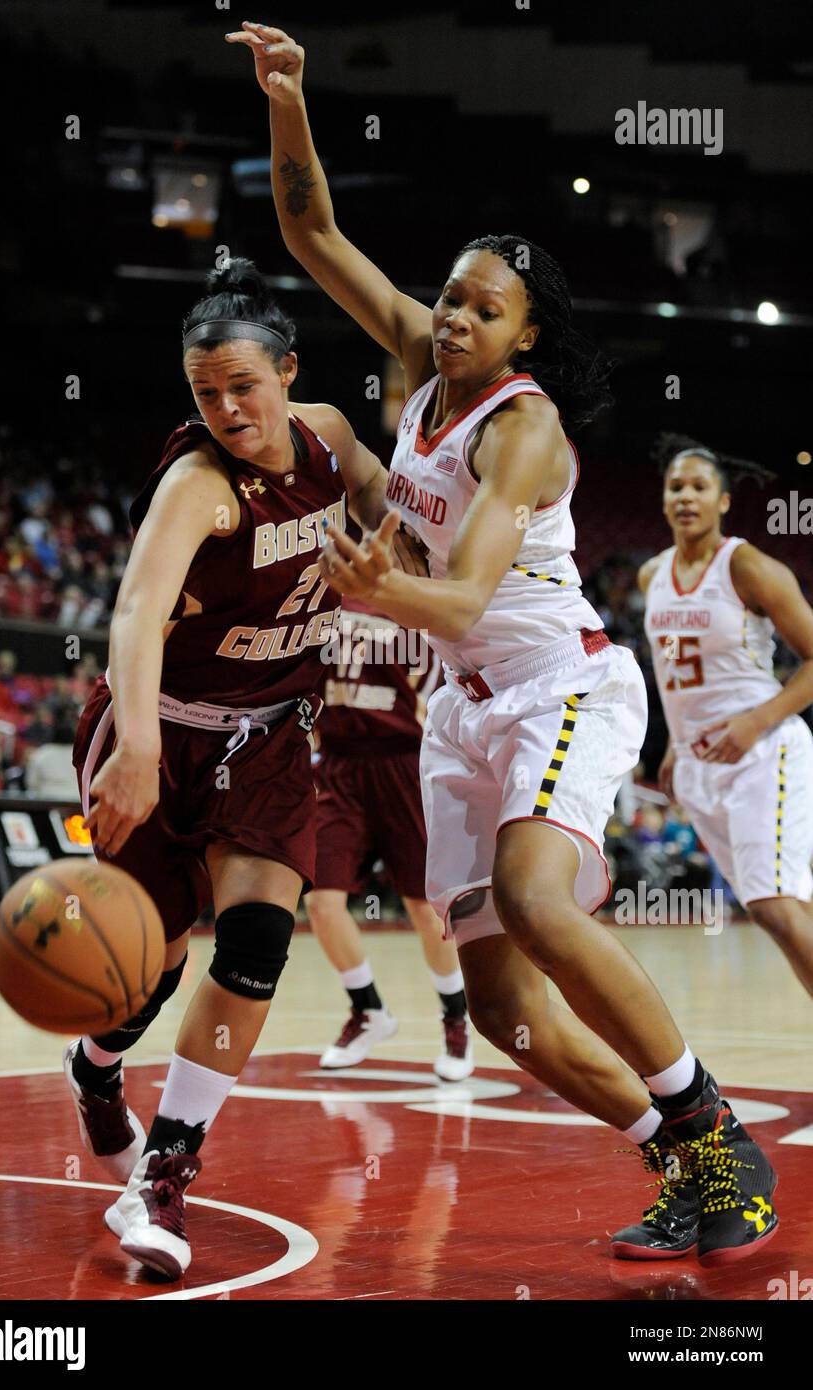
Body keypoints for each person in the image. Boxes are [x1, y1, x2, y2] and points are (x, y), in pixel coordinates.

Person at [229, 20, 780, 1265]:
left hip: (560, 685)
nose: (458, 315)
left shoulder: (522, 430)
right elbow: (311, 233)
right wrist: (291, 101)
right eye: (453, 295)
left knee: (538, 899)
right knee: (506, 1016)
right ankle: (678, 1154)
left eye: (487, 306)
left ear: (525, 334)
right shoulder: (422, 364)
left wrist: (371, 591)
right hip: (460, 711)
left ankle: (712, 1123)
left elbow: (470, 596)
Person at [66, 258, 425, 1280]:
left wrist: (406, 551)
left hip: (269, 732)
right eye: (204, 391)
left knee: (261, 934)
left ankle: (166, 1172)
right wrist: (135, 747)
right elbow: (135, 614)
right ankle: (98, 1066)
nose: (226, 408)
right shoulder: (196, 484)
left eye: (243, 387)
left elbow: (393, 512)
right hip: (163, 728)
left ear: (289, 373)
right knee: (150, 968)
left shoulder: (330, 436)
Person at [640, 432, 813, 994]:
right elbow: (676, 672)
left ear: (723, 500)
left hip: (764, 749)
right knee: (786, 908)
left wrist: (755, 721)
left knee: (771, 905)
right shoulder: (652, 576)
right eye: (675, 487)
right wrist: (675, 742)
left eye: (699, 486)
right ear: (664, 498)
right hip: (699, 761)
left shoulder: (746, 566)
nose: (685, 496)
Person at [307, 595, 473, 1079]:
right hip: (338, 762)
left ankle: (455, 1020)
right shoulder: (317, 597)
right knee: (321, 901)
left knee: (423, 906)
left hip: (403, 760)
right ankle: (369, 1010)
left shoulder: (416, 597)